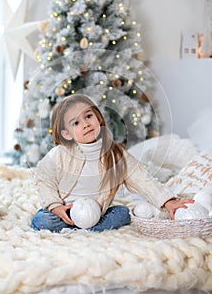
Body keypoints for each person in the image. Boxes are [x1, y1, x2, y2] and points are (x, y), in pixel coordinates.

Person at [31, 93, 193, 233]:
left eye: (88, 116)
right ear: (66, 134)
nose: (86, 124)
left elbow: (142, 179)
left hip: (97, 214)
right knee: (41, 220)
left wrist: (167, 201)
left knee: (122, 213)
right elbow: (44, 180)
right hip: (65, 214)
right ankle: (74, 227)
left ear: (98, 118)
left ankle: (90, 229)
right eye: (76, 123)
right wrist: (55, 206)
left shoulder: (115, 154)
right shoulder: (59, 155)